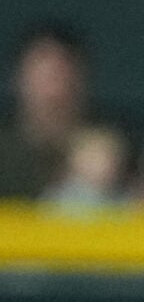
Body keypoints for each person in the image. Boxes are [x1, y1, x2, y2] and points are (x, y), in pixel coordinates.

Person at [0, 24, 96, 199]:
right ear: (19, 79)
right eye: (45, 76)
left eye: (62, 74)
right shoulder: (5, 149)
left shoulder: (118, 146)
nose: (54, 89)